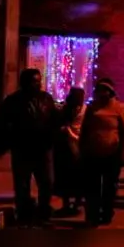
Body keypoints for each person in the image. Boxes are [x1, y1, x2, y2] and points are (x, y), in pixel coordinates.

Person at [0, 69, 59, 226]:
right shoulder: (13, 101)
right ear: (25, 82)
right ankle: (24, 213)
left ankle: (43, 211)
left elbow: (53, 119)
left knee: (47, 181)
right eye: (34, 81)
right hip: (22, 148)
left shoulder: (46, 99)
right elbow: (4, 122)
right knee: (22, 184)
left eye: (39, 81)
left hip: (43, 147)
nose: (37, 84)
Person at [79, 78, 124, 227]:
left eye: (105, 90)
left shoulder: (120, 108)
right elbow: (85, 129)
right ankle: (93, 215)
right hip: (92, 153)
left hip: (112, 154)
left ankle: (107, 212)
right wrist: (81, 148)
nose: (103, 93)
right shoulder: (92, 108)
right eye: (100, 90)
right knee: (92, 187)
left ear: (111, 92)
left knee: (109, 187)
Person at [53, 87, 86, 216]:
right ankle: (66, 204)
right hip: (65, 149)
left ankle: (77, 203)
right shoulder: (65, 110)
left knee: (78, 178)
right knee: (64, 179)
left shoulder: (85, 111)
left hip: (79, 147)